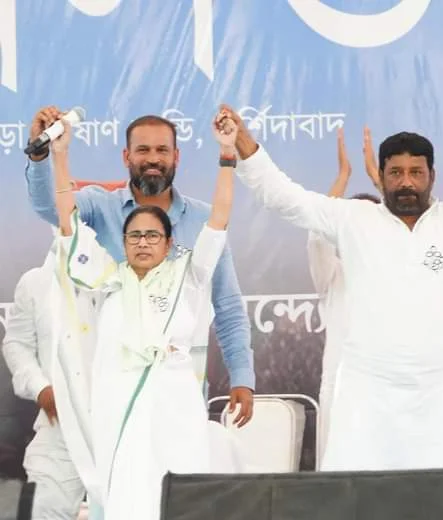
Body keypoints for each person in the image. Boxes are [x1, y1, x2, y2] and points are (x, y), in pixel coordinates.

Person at [222, 58, 443, 478]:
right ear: (381, 176)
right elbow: (285, 198)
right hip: (369, 396)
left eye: (416, 172)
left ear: (432, 176)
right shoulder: (353, 220)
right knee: (366, 497)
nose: (406, 182)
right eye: (396, 172)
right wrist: (245, 143)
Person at [47, 107, 241, 519]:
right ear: (123, 242)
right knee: (128, 496)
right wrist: (59, 155)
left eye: (153, 235)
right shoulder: (108, 279)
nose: (142, 242)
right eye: (134, 235)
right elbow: (68, 222)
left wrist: (227, 156)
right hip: (119, 405)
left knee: (181, 495)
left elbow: (219, 219)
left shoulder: (189, 277)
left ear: (170, 244)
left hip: (177, 406)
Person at [24, 107, 255, 425]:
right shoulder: (99, 209)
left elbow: (228, 307)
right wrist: (45, 155)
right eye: (143, 150)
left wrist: (242, 376)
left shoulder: (203, 222)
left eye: (162, 150)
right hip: (111, 396)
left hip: (179, 397)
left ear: (176, 156)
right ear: (126, 157)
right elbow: (53, 209)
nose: (153, 159)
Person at [2, 251, 94, 519]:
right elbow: (17, 343)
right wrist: (39, 387)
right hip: (60, 423)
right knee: (41, 509)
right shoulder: (36, 282)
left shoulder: (129, 276)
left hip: (122, 424)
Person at [308, 127, 381, 460]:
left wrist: (378, 179)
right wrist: (343, 177)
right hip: (341, 389)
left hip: (387, 387)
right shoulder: (332, 273)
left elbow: (415, 229)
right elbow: (317, 235)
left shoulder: (398, 267)